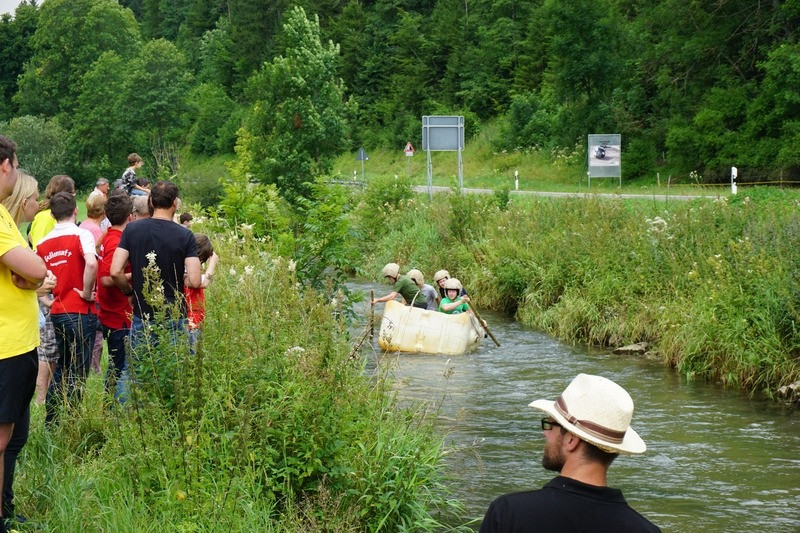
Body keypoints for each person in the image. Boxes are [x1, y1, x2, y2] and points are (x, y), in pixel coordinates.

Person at [480, 373, 661, 533]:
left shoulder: (510, 513)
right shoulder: (645, 529)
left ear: (571, 440)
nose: (545, 433)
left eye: (550, 425)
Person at [110, 180, 201, 400]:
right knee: (176, 370)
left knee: (134, 372)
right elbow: (195, 280)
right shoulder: (185, 235)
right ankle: (172, 409)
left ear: (151, 201)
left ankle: (123, 412)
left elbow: (115, 271)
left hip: (142, 313)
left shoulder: (132, 229)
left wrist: (129, 293)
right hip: (174, 314)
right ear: (175, 203)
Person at [0, 136, 48, 532]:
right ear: (6, 166)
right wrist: (33, 274)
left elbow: (32, 272)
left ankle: (5, 508)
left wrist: (32, 274)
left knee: (12, 439)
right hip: (6, 345)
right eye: (16, 165)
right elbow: (35, 270)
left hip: (19, 344)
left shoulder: (3, 216)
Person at [35, 192, 98, 425]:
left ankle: (51, 420)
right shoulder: (82, 234)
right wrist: (87, 291)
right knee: (79, 370)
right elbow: (91, 262)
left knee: (62, 366)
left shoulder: (43, 243)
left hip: (58, 312)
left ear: (52, 215)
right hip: (81, 310)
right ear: (75, 211)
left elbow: (35, 276)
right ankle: (73, 420)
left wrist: (45, 300)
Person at [96, 194, 134, 398]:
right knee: (120, 368)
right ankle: (114, 407)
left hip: (112, 312)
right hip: (118, 315)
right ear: (130, 217)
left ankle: (111, 405)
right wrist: (135, 274)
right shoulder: (116, 242)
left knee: (116, 365)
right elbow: (107, 278)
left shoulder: (109, 236)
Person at [184, 233, 219, 351]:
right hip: (191, 320)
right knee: (192, 354)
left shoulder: (182, 265)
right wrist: (212, 263)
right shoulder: (186, 269)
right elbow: (203, 283)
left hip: (191, 319)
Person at [28, 174, 75, 249]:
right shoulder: (45, 218)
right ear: (65, 196)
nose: (73, 197)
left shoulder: (63, 215)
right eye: (72, 194)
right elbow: (39, 249)